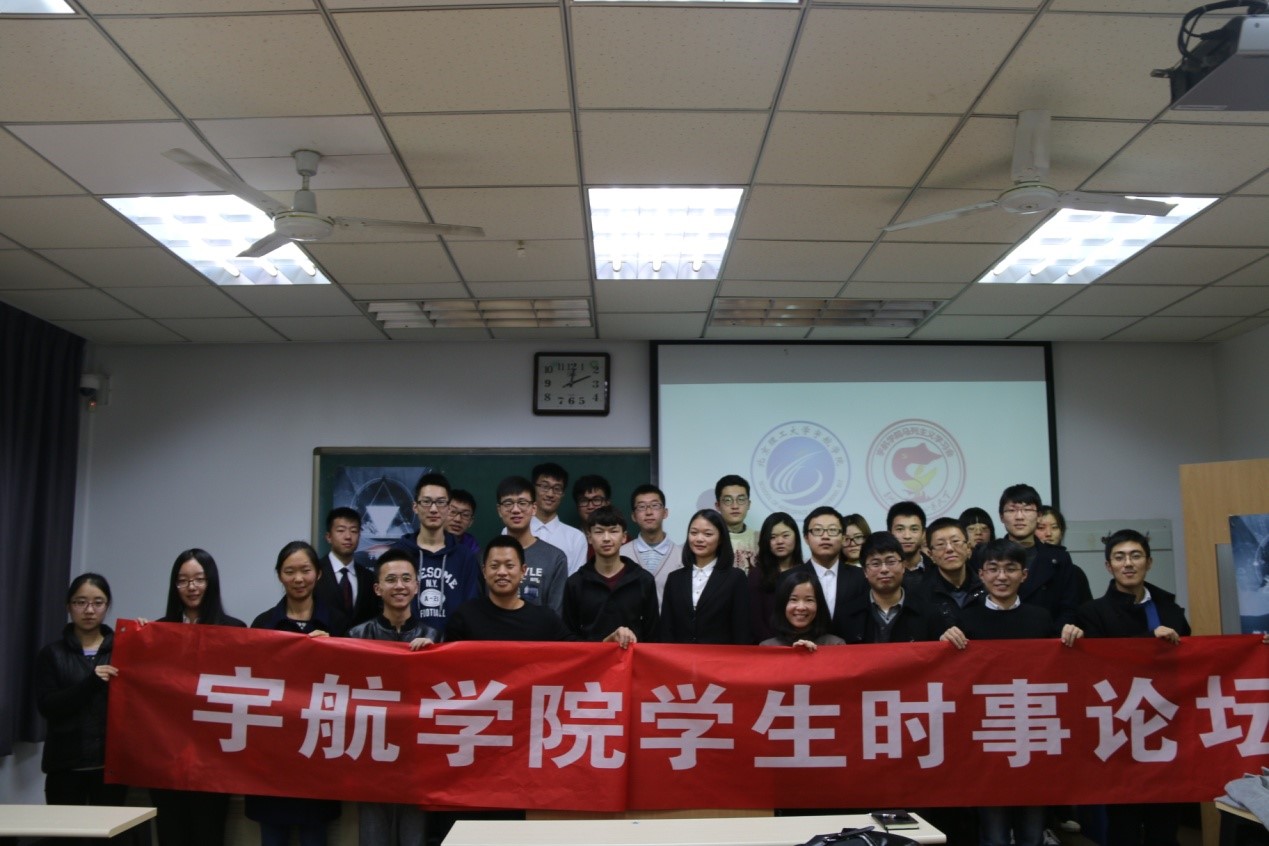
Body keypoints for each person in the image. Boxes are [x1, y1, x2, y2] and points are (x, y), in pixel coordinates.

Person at [939, 539, 1081, 846]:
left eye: (1010, 569)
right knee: (994, 835)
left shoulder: (1041, 618)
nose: (1001, 576)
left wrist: (1074, 636)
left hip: (1032, 738)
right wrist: (944, 642)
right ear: (981, 574)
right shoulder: (966, 620)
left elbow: (1060, 673)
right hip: (987, 741)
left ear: (1024, 575)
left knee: (1032, 834)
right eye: (993, 569)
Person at [1073, 528, 1189, 846]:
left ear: (1148, 563)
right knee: (1122, 824)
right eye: (1119, 557)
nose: (1128, 563)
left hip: (1165, 727)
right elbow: (1099, 666)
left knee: (1165, 824)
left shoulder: (1170, 609)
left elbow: (1193, 659)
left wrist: (1253, 647)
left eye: (1136, 556)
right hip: (1119, 730)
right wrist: (1149, 641)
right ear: (1108, 566)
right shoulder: (1091, 613)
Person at [247, 541, 344, 846]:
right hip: (273, 751)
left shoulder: (338, 623)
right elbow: (251, 685)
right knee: (272, 836)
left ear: (318, 573)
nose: (298, 578)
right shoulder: (263, 624)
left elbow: (352, 682)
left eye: (305, 570)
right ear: (279, 575)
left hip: (318, 748)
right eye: (290, 571)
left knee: (315, 834)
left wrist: (333, 649)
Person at [149, 550, 245, 846]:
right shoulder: (158, 631)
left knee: (208, 835)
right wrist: (140, 639)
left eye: (199, 579)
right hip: (167, 758)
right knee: (171, 835)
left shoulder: (235, 631)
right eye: (183, 581)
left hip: (213, 760)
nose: (191, 587)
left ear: (211, 582)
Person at [346, 549, 436, 846]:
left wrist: (433, 656)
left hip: (417, 758)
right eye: (391, 579)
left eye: (406, 579)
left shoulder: (434, 637)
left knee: (414, 839)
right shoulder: (357, 636)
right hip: (372, 754)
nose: (399, 586)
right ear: (377, 588)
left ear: (417, 586)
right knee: (373, 837)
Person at [35, 574, 130, 820]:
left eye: (98, 602)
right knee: (65, 834)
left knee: (109, 833)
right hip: (65, 766)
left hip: (111, 767)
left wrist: (146, 633)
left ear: (107, 606)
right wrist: (91, 683)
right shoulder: (52, 654)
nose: (89, 610)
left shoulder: (124, 650)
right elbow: (48, 706)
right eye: (80, 602)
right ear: (68, 606)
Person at [447, 536, 636, 645]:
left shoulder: (544, 619)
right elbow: (445, 662)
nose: (502, 572)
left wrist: (610, 641)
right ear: (484, 571)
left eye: (510, 565)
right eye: (494, 566)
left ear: (523, 571)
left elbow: (580, 653)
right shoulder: (465, 616)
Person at [389, 473, 481, 638]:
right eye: (426, 502)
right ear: (415, 507)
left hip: (451, 648)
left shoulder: (465, 557)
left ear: (448, 508)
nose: (433, 509)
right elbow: (388, 607)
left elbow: (471, 611)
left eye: (440, 502)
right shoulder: (398, 554)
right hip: (406, 647)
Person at [998, 483, 1090, 626]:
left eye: (1027, 509)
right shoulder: (987, 555)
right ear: (1001, 517)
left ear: (1039, 516)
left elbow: (1069, 609)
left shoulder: (1059, 558)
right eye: (1011, 510)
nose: (1019, 516)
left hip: (1047, 636)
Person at [562, 507, 659, 642]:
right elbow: (568, 636)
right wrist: (603, 645)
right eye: (599, 532)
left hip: (632, 655)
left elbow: (653, 636)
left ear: (624, 537)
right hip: (591, 655)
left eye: (613, 531)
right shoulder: (575, 583)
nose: (606, 538)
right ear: (589, 537)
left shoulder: (643, 580)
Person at [656, 509, 751, 644]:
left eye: (708, 534)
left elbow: (742, 629)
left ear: (721, 538)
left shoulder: (736, 578)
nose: (699, 539)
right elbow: (667, 629)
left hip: (720, 656)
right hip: (680, 656)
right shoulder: (674, 579)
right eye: (694, 533)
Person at [839, 532, 945, 644]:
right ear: (865, 571)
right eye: (876, 564)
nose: (884, 569)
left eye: (891, 562)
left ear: (903, 566)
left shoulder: (929, 613)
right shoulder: (846, 615)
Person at [495, 475, 568, 614]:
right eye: (508, 503)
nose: (516, 510)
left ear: (534, 508)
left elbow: (556, 616)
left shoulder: (555, 558)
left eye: (522, 503)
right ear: (499, 510)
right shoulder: (485, 558)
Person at [797, 507, 867, 641]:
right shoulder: (789, 577)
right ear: (806, 538)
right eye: (817, 530)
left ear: (843, 538)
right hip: (804, 649)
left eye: (833, 530)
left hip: (852, 650)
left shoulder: (861, 577)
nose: (825, 536)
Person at [619, 483, 683, 604]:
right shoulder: (621, 555)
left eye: (655, 505)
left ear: (665, 513)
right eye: (641, 507)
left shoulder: (682, 556)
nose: (648, 512)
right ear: (633, 516)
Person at [919, 517, 985, 632]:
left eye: (955, 541)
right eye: (940, 544)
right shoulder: (920, 596)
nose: (949, 549)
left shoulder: (987, 587)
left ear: (968, 548)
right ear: (930, 555)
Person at [315, 506, 377, 626]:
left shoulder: (369, 578)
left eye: (354, 531)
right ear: (328, 537)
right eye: (341, 530)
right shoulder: (315, 573)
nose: (348, 536)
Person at [748, 512, 804, 643]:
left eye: (785, 535)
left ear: (796, 537)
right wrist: (774, 645)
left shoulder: (807, 572)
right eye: (772, 537)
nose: (779, 541)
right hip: (767, 646)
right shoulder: (756, 574)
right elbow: (754, 619)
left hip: (803, 645)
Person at [760, 570, 844, 650]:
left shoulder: (835, 644)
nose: (801, 607)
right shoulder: (767, 647)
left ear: (819, 605)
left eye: (809, 600)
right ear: (783, 604)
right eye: (793, 599)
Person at [529, 462, 589, 575]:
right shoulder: (513, 531)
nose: (550, 494)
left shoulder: (576, 538)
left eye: (557, 488)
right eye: (545, 487)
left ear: (563, 494)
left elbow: (575, 581)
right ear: (533, 489)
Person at [714, 474, 758, 572]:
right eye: (728, 500)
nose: (735, 506)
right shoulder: (710, 540)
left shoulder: (760, 539)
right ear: (718, 505)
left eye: (741, 499)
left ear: (749, 504)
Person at [445, 489, 481, 560]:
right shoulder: (429, 540)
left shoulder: (472, 547)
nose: (457, 519)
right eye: (453, 512)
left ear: (471, 521)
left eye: (465, 515)